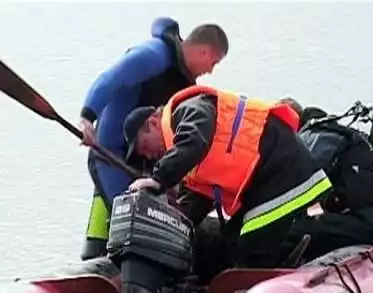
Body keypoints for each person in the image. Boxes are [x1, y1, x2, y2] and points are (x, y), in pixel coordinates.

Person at [123, 84, 333, 278]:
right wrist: (174, 220)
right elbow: (198, 198)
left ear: (152, 123)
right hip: (264, 186)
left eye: (144, 146)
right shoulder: (187, 156)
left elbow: (194, 142)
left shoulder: (188, 110)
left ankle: (268, 288)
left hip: (284, 173)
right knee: (228, 241)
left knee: (251, 244)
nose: (149, 156)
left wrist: (158, 179)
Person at [79, 17, 229, 260]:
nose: (210, 71)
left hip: (140, 163)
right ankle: (98, 267)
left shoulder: (181, 80)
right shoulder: (155, 55)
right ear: (204, 51)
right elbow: (111, 78)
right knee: (128, 229)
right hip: (109, 156)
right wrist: (87, 117)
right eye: (214, 62)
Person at [278, 97, 373, 263]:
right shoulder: (334, 133)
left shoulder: (316, 137)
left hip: (367, 224)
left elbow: (301, 182)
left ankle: (269, 271)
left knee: (289, 231)